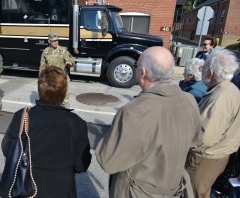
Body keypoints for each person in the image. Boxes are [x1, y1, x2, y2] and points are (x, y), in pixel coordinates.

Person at [95, 46, 201, 197]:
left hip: (138, 191)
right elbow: (195, 140)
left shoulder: (134, 110)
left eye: (137, 66)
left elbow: (108, 161)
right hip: (173, 187)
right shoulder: (190, 100)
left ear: (142, 72)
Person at [1, 66, 92, 198]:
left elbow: (7, 149)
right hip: (62, 190)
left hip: (26, 187)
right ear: (64, 92)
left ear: (40, 89)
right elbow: (81, 165)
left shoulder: (22, 116)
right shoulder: (77, 123)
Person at [185, 47, 240, 198]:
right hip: (215, 156)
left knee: (193, 193)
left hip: (204, 159)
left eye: (204, 67)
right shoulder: (229, 89)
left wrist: (182, 141)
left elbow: (205, 137)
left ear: (211, 73)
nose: (201, 70)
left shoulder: (220, 98)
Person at [39, 32, 75, 109]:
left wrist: (70, 62)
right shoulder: (45, 52)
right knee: (50, 99)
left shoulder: (63, 50)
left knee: (65, 100)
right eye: (54, 41)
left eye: (57, 40)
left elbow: (71, 60)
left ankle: (66, 114)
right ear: (49, 41)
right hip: (50, 80)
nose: (56, 42)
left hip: (61, 79)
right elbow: (42, 66)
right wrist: (41, 79)